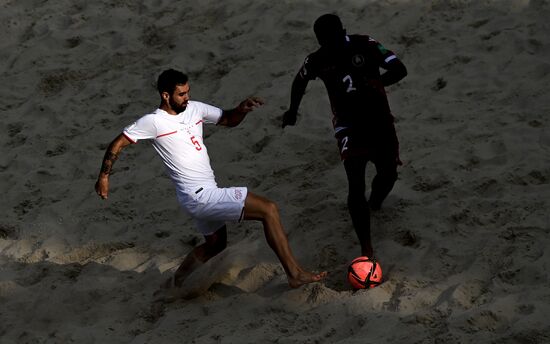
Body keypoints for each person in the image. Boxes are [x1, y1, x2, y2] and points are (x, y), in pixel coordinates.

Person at [95, 69, 326, 290]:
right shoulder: (153, 122)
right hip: (200, 197)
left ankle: (176, 284)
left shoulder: (195, 109)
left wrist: (241, 109)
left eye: (188, 92)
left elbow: (227, 119)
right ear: (166, 95)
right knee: (269, 209)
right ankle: (295, 274)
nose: (187, 97)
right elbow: (117, 143)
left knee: (216, 244)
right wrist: (104, 177)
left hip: (203, 193)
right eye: (181, 94)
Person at [282, 14, 407, 258]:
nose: (332, 45)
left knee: (388, 174)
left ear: (344, 32)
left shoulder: (366, 44)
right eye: (326, 42)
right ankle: (366, 248)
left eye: (335, 39)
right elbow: (299, 81)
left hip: (379, 121)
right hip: (348, 127)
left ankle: (376, 203)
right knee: (355, 184)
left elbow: (399, 69)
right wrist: (292, 110)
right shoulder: (317, 60)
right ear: (320, 41)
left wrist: (376, 83)